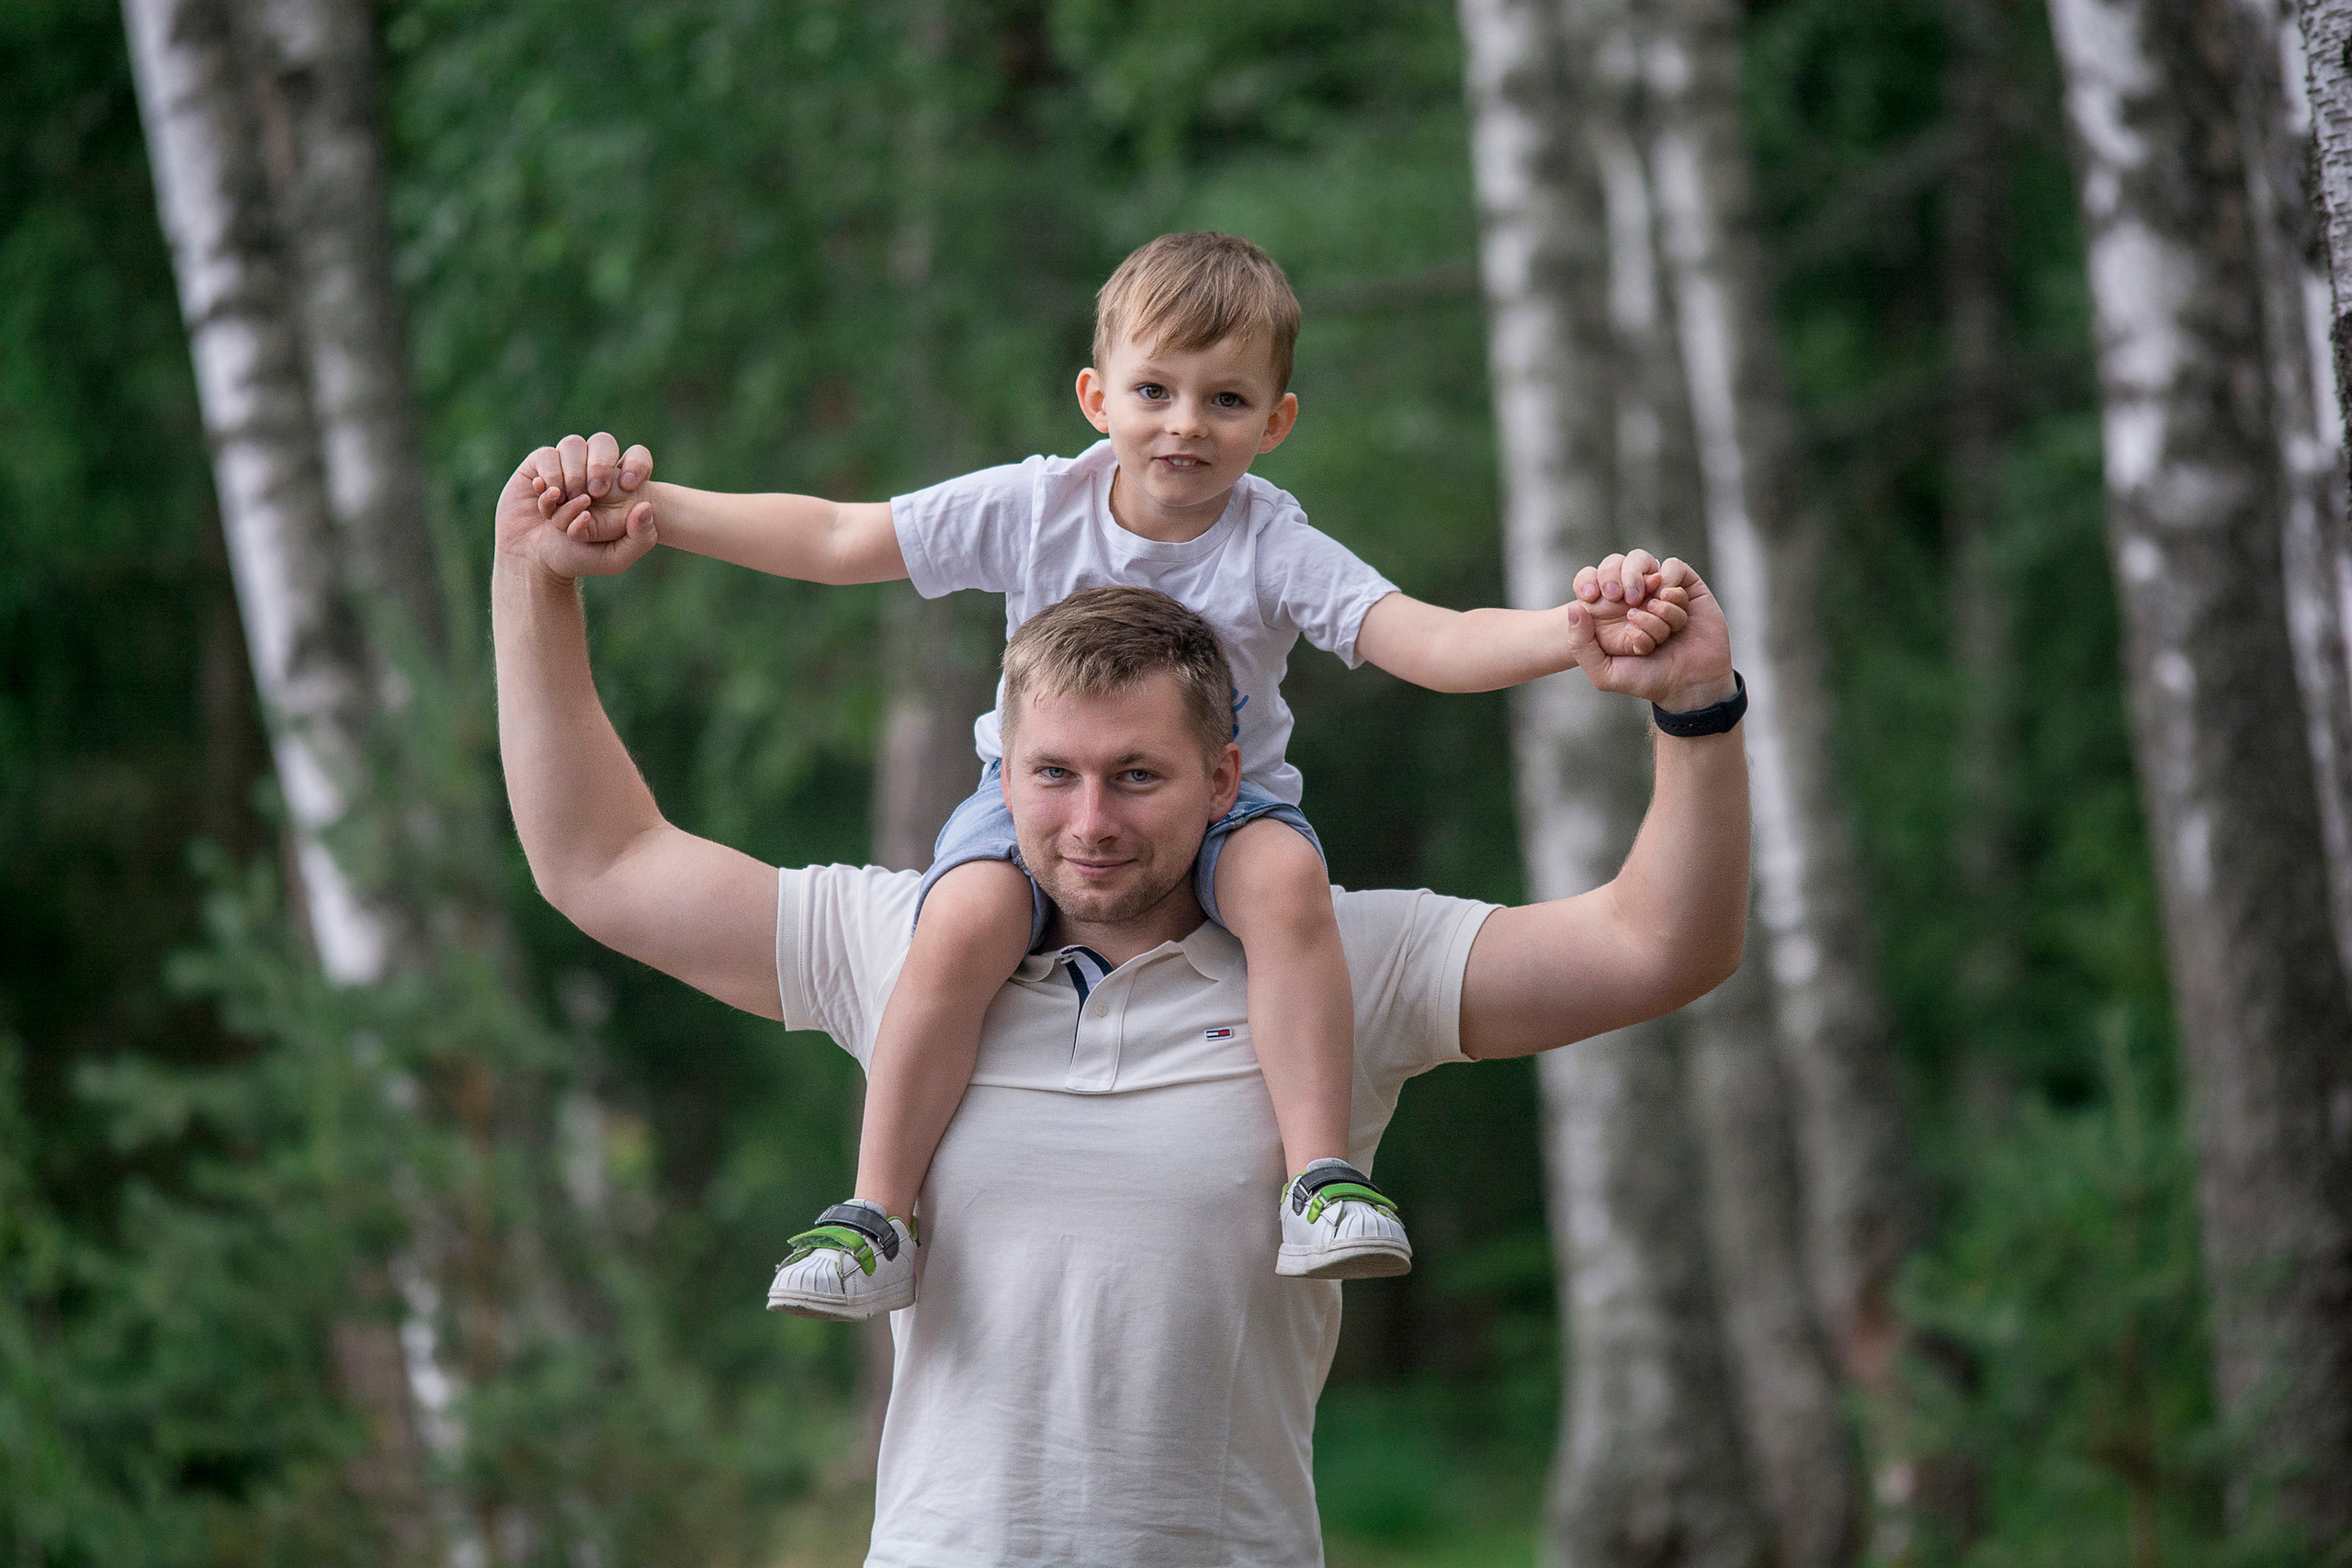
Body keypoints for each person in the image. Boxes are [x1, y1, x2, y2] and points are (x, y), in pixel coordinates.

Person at [494, 439, 1750, 1565]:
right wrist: (532, 575)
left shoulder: (1330, 962)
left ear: (1224, 778)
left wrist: (1697, 709)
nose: (1090, 821)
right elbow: (601, 861)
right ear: (1002, 769)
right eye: (1054, 774)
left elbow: (1657, 947)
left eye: (1137, 775)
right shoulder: (911, 944)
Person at [529, 231, 1691, 1315]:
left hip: (1227, 807)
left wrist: (1570, 632)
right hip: (1030, 797)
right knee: (961, 918)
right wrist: (652, 508)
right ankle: (876, 1214)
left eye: (1225, 400)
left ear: (1276, 421)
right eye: (1154, 391)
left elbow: (1425, 640)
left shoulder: (1274, 543)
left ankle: (1319, 1180)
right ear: (1097, 397)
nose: (1185, 425)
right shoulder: (1036, 507)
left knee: (1287, 888)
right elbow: (840, 538)